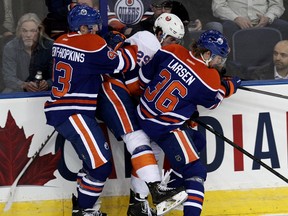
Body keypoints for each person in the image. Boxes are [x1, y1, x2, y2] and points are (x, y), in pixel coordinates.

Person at [44, 4, 139, 216]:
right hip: (73, 113)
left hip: (65, 110)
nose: (97, 30)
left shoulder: (61, 41)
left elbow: (87, 63)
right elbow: (125, 63)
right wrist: (128, 44)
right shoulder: (91, 43)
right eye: (93, 26)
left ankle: (84, 207)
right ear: (84, 27)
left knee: (93, 164)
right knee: (101, 166)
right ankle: (84, 210)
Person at [135, 29, 241, 215]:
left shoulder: (172, 50)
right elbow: (213, 103)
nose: (219, 63)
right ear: (207, 54)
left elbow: (144, 79)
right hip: (165, 129)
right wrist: (229, 86)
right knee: (196, 172)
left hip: (142, 114)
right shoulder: (210, 78)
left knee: (197, 141)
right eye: (218, 58)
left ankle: (172, 190)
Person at [97, 12, 187, 216]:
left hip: (124, 93)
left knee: (149, 144)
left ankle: (138, 204)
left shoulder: (156, 48)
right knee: (136, 138)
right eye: (171, 39)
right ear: (159, 32)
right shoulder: (148, 40)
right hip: (112, 87)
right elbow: (132, 82)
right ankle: (157, 189)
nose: (173, 44)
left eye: (177, 40)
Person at [2, 12, 53, 93]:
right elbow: (8, 77)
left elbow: (56, 76)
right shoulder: (10, 47)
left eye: (33, 31)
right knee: (7, 92)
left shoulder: (50, 46)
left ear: (39, 31)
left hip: (45, 90)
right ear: (19, 32)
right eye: (24, 31)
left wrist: (48, 84)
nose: (28, 35)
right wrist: (23, 85)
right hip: (19, 89)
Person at [212, 0, 288, 44]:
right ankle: (233, 67)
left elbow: (277, 5)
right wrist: (236, 18)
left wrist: (268, 17)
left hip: (264, 21)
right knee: (227, 28)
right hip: (235, 22)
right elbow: (218, 6)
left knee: (284, 27)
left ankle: (275, 69)